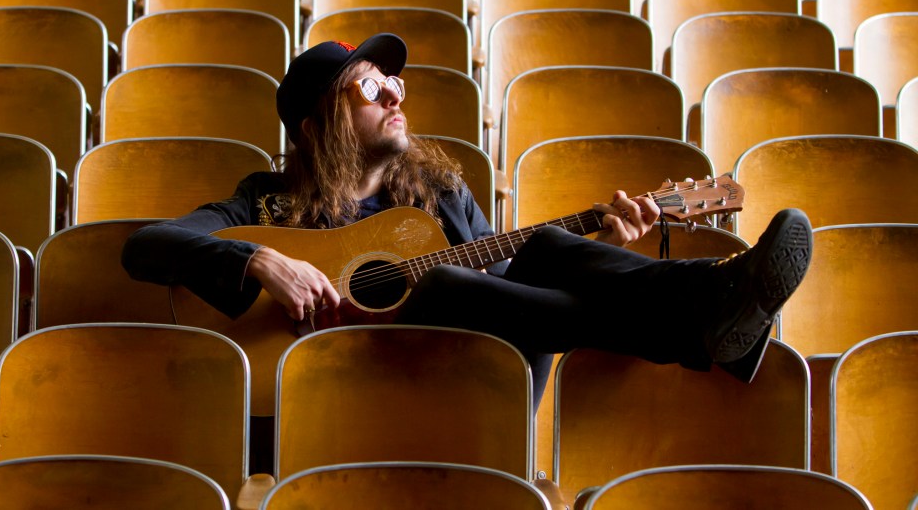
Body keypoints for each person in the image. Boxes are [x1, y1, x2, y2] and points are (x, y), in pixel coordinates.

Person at [122, 33, 813, 400]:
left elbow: (520, 294)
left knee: (536, 248)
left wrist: (607, 237)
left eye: (394, 79)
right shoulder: (266, 203)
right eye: (369, 83)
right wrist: (258, 259)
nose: (395, 89)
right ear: (316, 124)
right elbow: (149, 246)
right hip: (325, 398)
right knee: (443, 284)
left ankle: (710, 296)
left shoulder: (438, 195)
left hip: (472, 387)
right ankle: (701, 321)